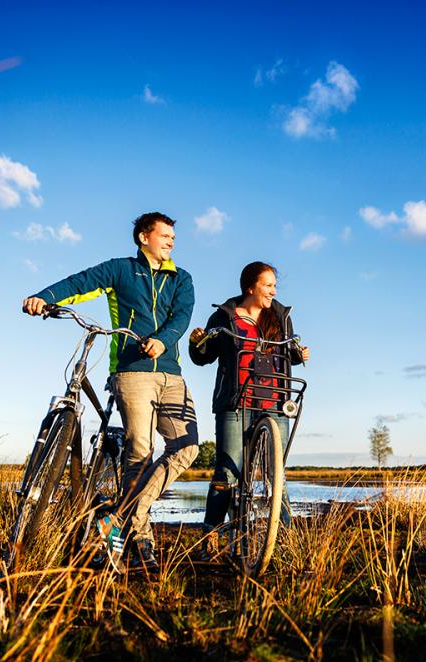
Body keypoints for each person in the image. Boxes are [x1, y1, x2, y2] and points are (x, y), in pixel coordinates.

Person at [22, 211, 199, 573]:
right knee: (139, 451)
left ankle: (117, 519)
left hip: (171, 373)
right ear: (143, 238)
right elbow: (82, 282)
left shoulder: (182, 278)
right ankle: (141, 540)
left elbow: (181, 318)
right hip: (132, 372)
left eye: (173, 237)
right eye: (164, 235)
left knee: (188, 447)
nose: (170, 241)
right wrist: (44, 297)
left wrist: (162, 341)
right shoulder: (121, 270)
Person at [188, 261, 310, 558]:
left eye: (274, 286)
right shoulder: (225, 316)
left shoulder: (280, 317)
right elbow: (203, 356)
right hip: (235, 401)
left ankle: (286, 543)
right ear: (250, 287)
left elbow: (286, 353)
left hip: (275, 402)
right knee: (227, 474)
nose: (273, 290)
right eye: (268, 285)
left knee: (275, 476)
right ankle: (210, 539)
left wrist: (299, 354)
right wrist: (196, 343)